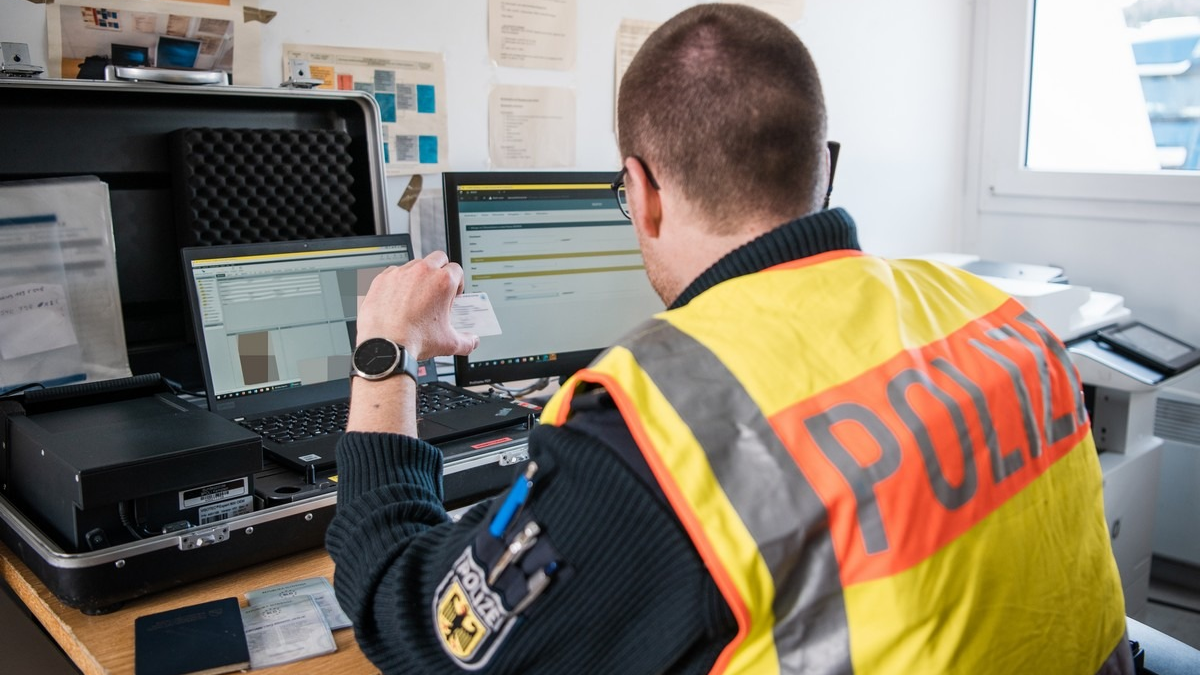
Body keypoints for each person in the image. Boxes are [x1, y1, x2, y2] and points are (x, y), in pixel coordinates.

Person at [326, 4, 1133, 673]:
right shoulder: (1000, 319)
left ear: (640, 192)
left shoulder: (652, 441)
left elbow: (412, 620)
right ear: (827, 168)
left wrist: (387, 351)